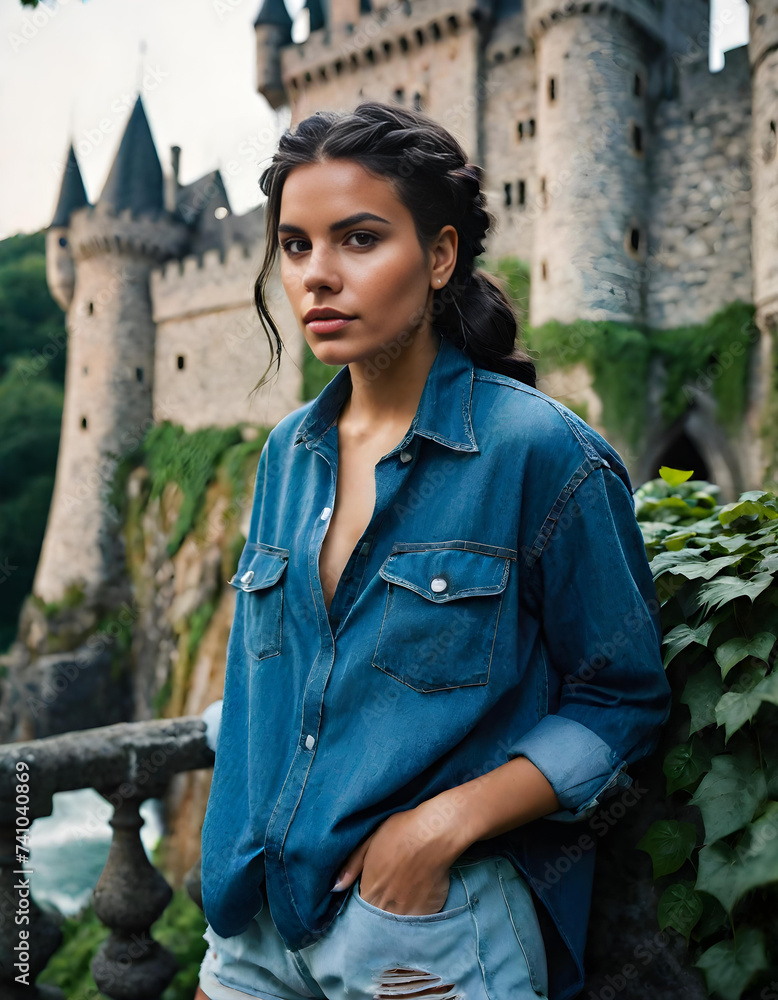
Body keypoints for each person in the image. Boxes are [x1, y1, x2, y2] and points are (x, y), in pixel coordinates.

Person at [194, 100, 672, 1000]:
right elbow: (268, 687)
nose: (317, 277)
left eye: (359, 240)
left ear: (441, 256)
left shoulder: (540, 453)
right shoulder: (284, 457)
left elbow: (623, 699)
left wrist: (441, 828)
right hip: (256, 929)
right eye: (295, 245)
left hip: (422, 935)